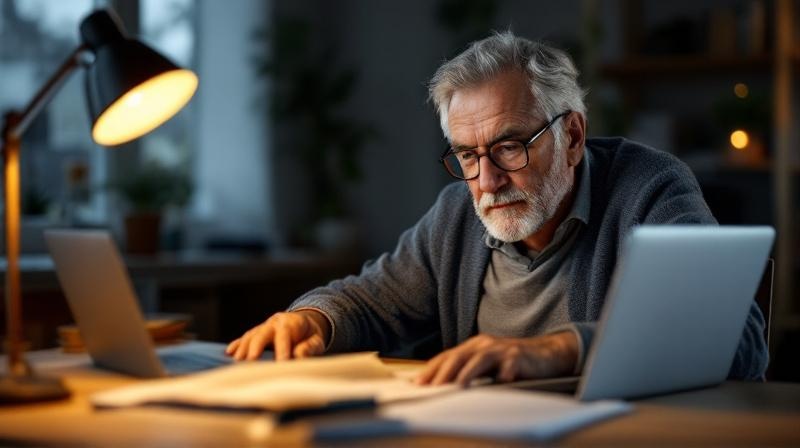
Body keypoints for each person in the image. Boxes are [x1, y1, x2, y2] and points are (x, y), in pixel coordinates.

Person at [226, 31, 768, 385]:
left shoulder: (648, 188)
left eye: (510, 146)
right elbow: (370, 301)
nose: (486, 181)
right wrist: (311, 320)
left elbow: (736, 340)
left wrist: (557, 351)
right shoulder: (457, 214)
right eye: (467, 154)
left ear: (573, 136)